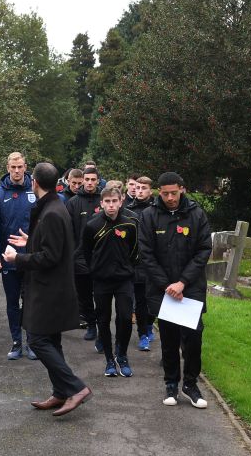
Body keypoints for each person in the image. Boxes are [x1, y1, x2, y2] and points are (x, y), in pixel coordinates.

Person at [3, 162, 91, 417]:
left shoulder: (52, 211)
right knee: (51, 339)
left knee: (37, 339)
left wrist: (16, 258)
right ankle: (61, 391)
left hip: (49, 290)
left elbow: (50, 257)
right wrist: (30, 242)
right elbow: (54, 245)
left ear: (35, 183)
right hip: (51, 287)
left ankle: (77, 388)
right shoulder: (53, 207)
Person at [138, 172, 211, 409]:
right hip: (164, 289)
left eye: (174, 192)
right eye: (165, 193)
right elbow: (146, 254)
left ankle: (190, 384)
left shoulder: (196, 214)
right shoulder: (149, 216)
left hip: (190, 288)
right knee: (168, 338)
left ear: (182, 189)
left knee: (193, 338)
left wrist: (182, 283)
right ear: (159, 192)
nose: (170, 198)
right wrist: (166, 285)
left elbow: (203, 250)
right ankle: (171, 383)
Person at [81, 185, 138, 378]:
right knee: (103, 320)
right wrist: (96, 269)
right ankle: (109, 360)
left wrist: (126, 267)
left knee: (124, 317)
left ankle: (121, 354)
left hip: (124, 280)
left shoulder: (131, 224)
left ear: (121, 201)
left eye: (115, 201)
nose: (111, 205)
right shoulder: (92, 226)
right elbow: (87, 252)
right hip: (102, 281)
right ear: (101, 203)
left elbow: (135, 250)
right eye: (107, 202)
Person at [0, 152, 39, 360]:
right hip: (9, 258)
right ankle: (16, 341)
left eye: (20, 167)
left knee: (31, 300)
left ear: (26, 167)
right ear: (7, 167)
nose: (16, 171)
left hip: (31, 258)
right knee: (12, 302)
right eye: (12, 167)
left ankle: (32, 341)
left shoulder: (35, 190)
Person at [65, 166, 103, 342]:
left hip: (102, 257)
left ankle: (103, 328)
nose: (89, 183)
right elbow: (69, 232)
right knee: (85, 296)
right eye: (87, 180)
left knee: (102, 296)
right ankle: (91, 325)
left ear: (97, 181)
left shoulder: (104, 200)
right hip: (80, 258)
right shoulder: (73, 202)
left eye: (93, 180)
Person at [126, 175, 156, 351]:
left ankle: (150, 325)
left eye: (143, 188)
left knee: (152, 300)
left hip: (152, 263)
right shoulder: (128, 210)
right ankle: (143, 334)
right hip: (134, 262)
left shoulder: (156, 210)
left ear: (150, 190)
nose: (139, 191)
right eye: (137, 188)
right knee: (140, 301)